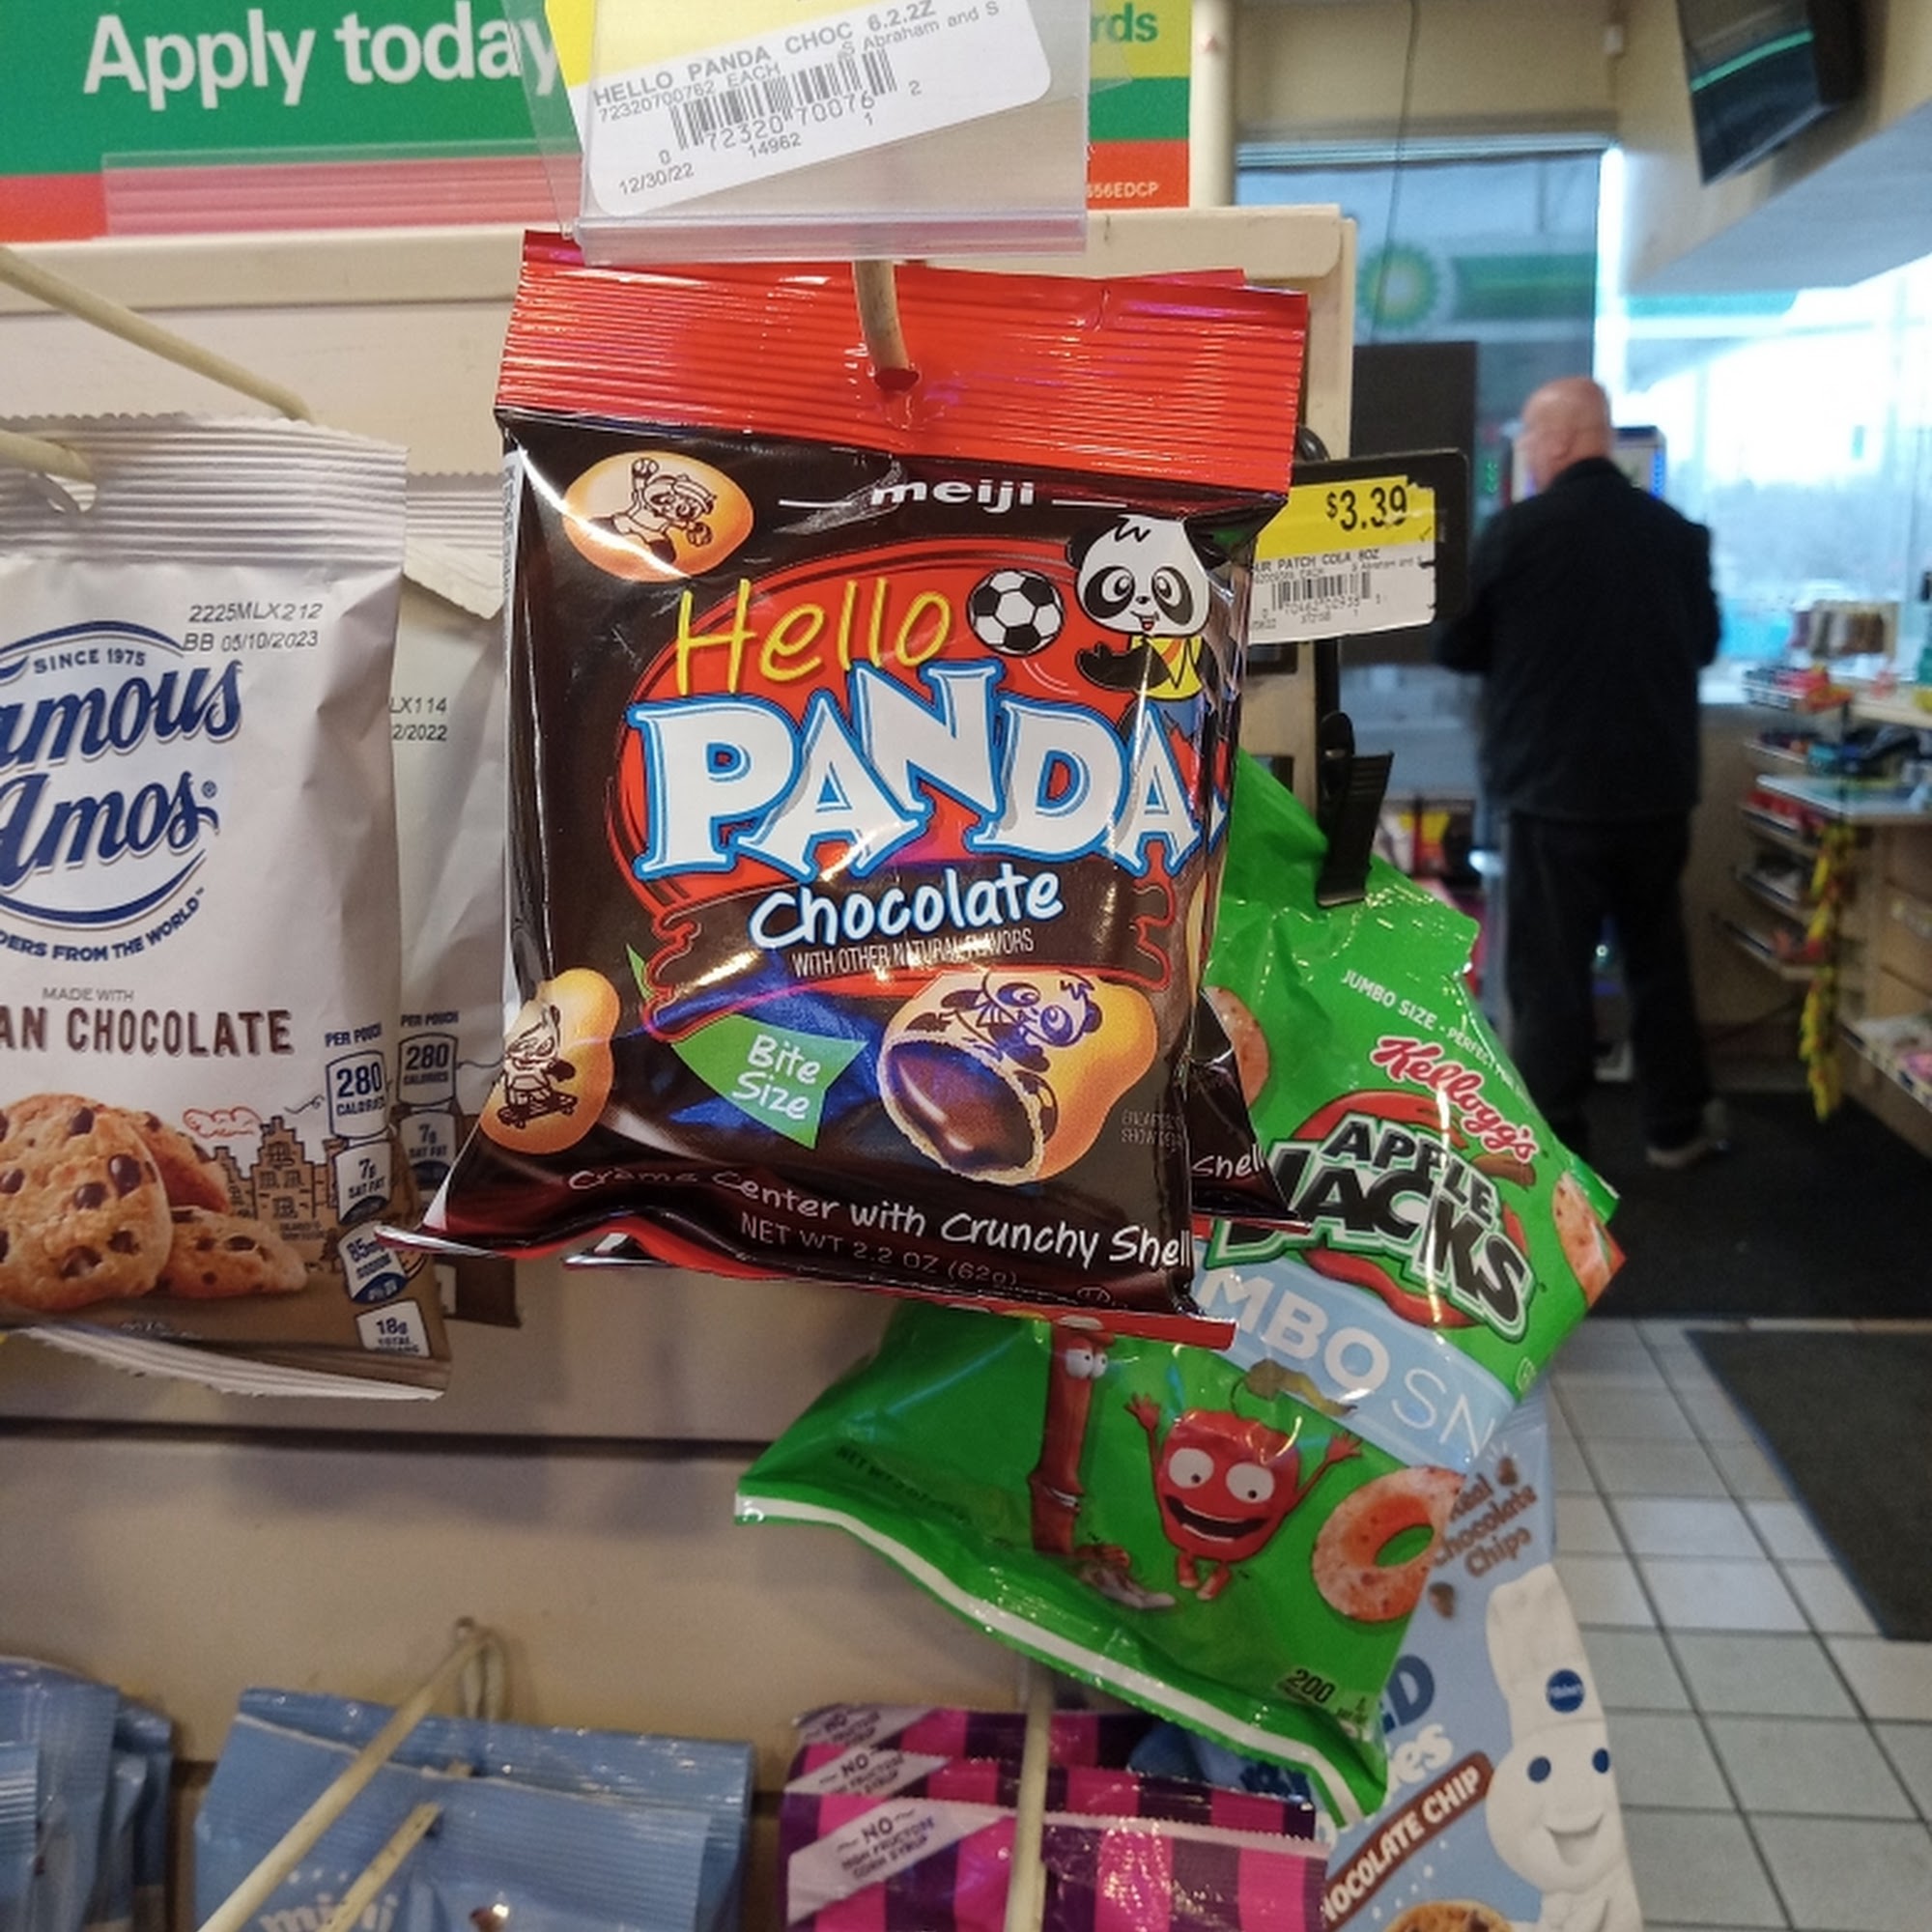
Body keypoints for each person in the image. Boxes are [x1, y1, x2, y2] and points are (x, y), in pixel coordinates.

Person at [1434, 376, 1724, 1167]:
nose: (1526, 450)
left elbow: (1455, 645)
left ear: (1560, 440)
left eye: (1530, 436)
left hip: (1550, 792)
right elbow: (1703, 644)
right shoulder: (1677, 535)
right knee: (1657, 960)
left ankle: (1556, 1148)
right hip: (1656, 791)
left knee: (1551, 976)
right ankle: (1676, 1129)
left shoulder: (1515, 534)